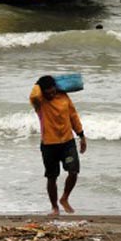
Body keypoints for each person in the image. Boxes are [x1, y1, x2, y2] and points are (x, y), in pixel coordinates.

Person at [30, 75, 87, 216]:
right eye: (48, 91)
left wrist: (81, 135)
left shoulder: (63, 97)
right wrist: (39, 84)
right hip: (49, 145)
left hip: (67, 142)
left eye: (53, 90)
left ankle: (65, 198)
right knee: (52, 177)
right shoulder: (39, 102)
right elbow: (34, 94)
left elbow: (73, 116)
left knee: (73, 171)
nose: (51, 93)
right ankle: (54, 207)